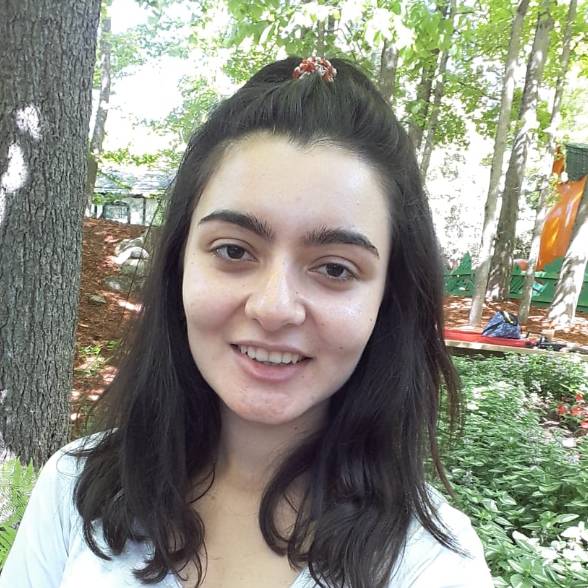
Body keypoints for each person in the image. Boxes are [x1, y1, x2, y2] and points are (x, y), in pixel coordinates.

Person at [0, 56, 493, 587]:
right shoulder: (74, 489)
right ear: (179, 265)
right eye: (234, 250)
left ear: (387, 300)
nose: (274, 307)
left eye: (335, 268)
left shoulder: (432, 566)